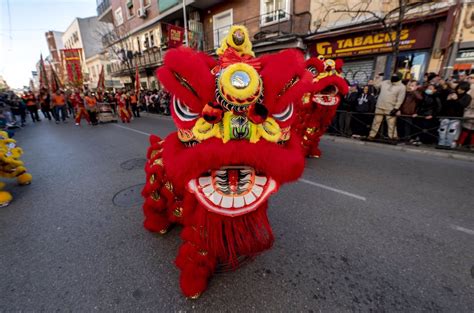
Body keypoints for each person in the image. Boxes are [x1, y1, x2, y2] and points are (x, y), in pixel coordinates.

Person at [368, 72, 406, 141]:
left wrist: (396, 108)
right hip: (379, 106)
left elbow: (400, 99)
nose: (393, 77)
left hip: (390, 107)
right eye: (392, 75)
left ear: (399, 78)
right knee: (376, 122)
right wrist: (377, 78)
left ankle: (393, 137)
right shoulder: (385, 82)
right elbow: (376, 86)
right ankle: (372, 135)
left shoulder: (402, 87)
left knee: (391, 123)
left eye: (395, 76)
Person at [437, 81, 471, 148]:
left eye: (462, 89)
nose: (459, 90)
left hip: (456, 117)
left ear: (465, 90)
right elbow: (444, 105)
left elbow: (464, 105)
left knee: (451, 131)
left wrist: (457, 99)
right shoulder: (452, 93)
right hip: (446, 115)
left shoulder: (467, 97)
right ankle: (441, 143)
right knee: (442, 130)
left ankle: (448, 144)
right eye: (458, 88)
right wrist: (447, 99)